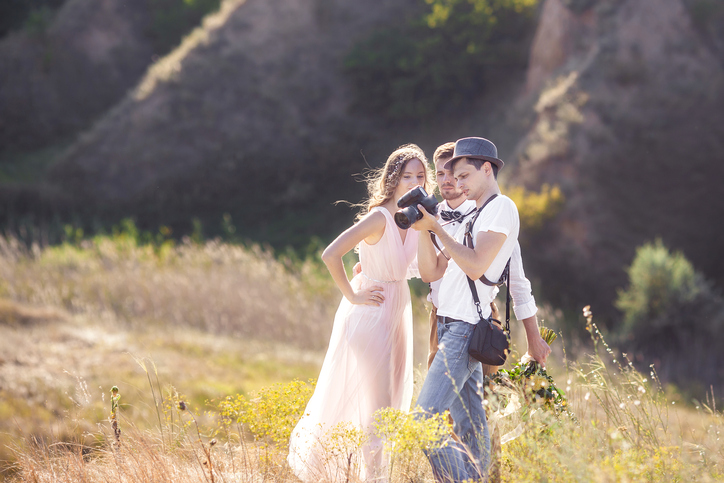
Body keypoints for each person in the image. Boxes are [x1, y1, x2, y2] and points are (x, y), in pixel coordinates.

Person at [288, 144, 435, 482]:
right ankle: (374, 478)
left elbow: (407, 267)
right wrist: (353, 294)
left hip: (397, 314)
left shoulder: (413, 219)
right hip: (371, 316)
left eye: (420, 177)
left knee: (391, 399)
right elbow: (330, 254)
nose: (414, 182)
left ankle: (370, 474)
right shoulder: (379, 217)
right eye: (407, 176)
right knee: (380, 406)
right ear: (393, 180)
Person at [411, 136, 543, 482]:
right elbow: (432, 272)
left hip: (465, 328)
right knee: (471, 424)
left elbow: (475, 266)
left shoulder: (502, 208)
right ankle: (477, 477)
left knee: (423, 420)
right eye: (453, 176)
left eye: (466, 176)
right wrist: (426, 229)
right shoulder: (474, 214)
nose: (458, 183)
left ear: (488, 169)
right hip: (449, 325)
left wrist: (437, 227)